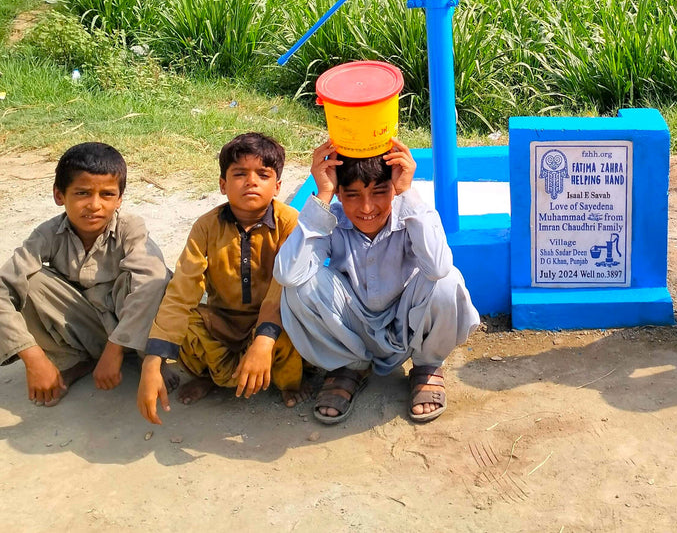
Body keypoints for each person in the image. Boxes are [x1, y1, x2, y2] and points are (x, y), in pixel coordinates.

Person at [274, 138, 479, 425]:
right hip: (353, 328)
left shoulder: (413, 215)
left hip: (407, 324)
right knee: (299, 286)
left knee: (446, 279)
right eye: (353, 195)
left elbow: (438, 266)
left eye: (379, 192)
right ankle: (349, 366)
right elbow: (287, 274)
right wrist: (322, 194)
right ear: (340, 195)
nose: (367, 207)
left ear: (394, 190)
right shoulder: (329, 221)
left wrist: (407, 190)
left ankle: (427, 365)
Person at [137, 132, 309, 425]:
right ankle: (211, 378)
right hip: (223, 322)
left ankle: (288, 383)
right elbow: (183, 291)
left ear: (277, 186)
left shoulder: (290, 223)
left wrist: (263, 341)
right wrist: (152, 362)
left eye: (263, 174)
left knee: (296, 321)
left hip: (273, 320)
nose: (251, 181)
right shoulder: (206, 227)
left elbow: (283, 288)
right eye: (239, 173)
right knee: (183, 320)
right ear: (222, 185)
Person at [0, 142, 174, 406]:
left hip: (134, 327)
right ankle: (78, 361)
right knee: (31, 283)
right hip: (91, 327)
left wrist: (115, 350)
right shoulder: (47, 235)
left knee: (150, 280)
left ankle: (149, 359)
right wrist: (33, 357)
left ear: (120, 199)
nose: (94, 205)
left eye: (106, 195)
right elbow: (3, 289)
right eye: (82, 193)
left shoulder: (131, 229)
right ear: (60, 195)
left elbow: (151, 285)